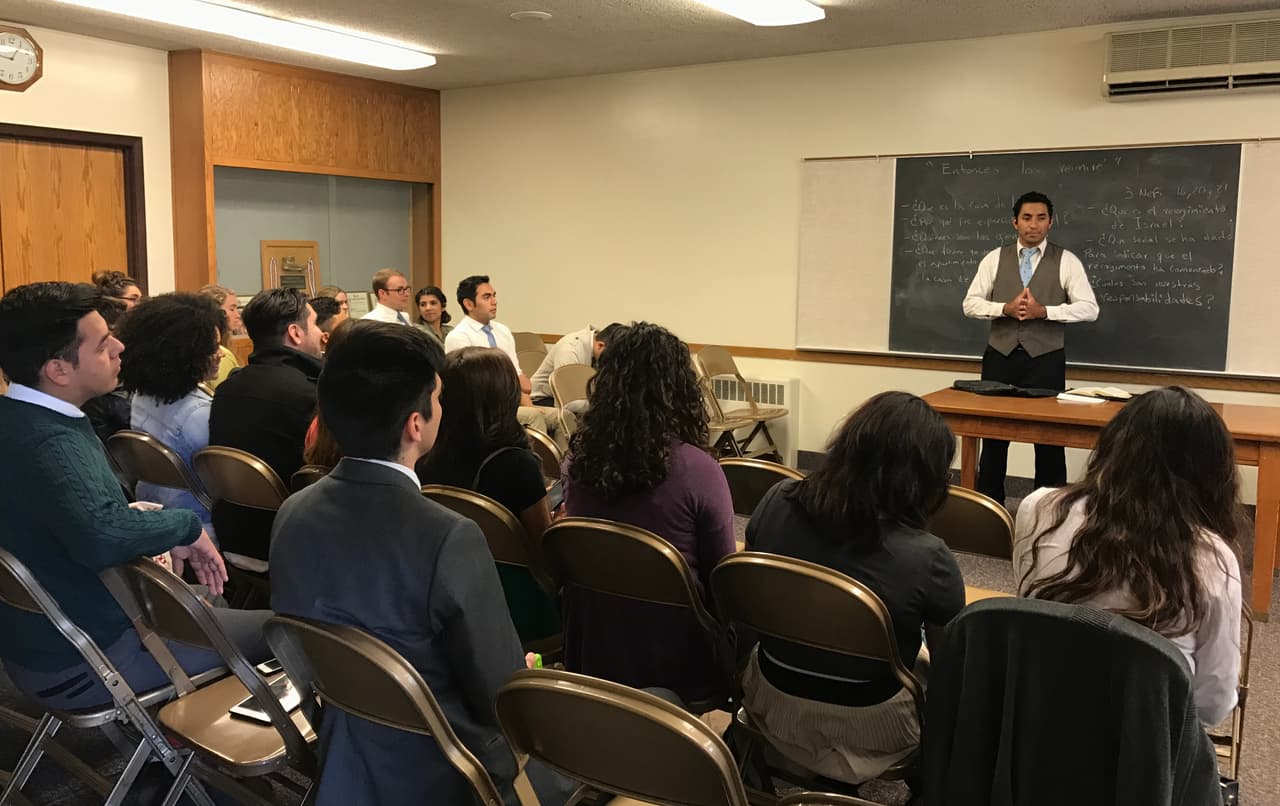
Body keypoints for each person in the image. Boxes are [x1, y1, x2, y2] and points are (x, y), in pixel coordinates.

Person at [270, 321, 574, 806]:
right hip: (451, 768)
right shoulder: (448, 536)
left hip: (346, 749)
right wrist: (523, 667)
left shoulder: (293, 512)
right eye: (437, 397)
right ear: (417, 423)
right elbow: (501, 697)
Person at [0, 282, 268, 711]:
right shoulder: (50, 442)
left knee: (209, 604)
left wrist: (141, 522)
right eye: (104, 343)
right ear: (58, 370)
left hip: (35, 646)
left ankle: (178, 754)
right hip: (90, 658)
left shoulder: (17, 417)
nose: (121, 347)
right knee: (288, 632)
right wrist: (184, 526)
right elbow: (101, 533)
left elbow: (76, 517)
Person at [742, 391, 965, 784]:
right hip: (870, 725)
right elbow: (953, 670)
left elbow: (752, 600)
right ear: (924, 479)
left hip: (771, 697)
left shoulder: (777, 499)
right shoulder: (930, 558)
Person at [1013, 386, 1243, 727]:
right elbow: (1213, 704)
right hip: (1144, 756)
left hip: (1036, 728)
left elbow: (1028, 607)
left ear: (1112, 446)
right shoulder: (1211, 557)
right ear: (1211, 472)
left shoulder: (1039, 508)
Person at [561, 322, 735, 703]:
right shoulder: (698, 470)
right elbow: (724, 579)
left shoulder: (578, 461)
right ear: (680, 389)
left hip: (594, 647)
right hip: (677, 660)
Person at [962, 191, 1099, 505]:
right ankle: (988, 509)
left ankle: (1048, 512)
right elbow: (970, 304)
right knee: (994, 438)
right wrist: (1004, 309)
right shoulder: (994, 258)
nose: (1033, 225)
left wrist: (1046, 312)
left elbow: (1090, 309)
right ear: (1015, 222)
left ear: (1051, 222)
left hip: (1045, 360)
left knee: (1049, 440)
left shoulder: (1066, 261)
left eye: (1040, 218)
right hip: (1000, 357)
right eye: (1026, 218)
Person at [417, 347, 560, 644]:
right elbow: (545, 549)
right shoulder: (517, 464)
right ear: (504, 397)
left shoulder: (425, 454)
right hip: (518, 605)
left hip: (448, 593)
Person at [209, 288, 324, 564]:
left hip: (233, 533)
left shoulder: (226, 389)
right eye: (316, 323)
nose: (321, 333)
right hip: (291, 542)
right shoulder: (313, 397)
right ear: (295, 333)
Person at [117, 293, 224, 533]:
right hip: (199, 525)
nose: (222, 353)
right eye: (214, 348)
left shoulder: (142, 397)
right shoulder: (199, 414)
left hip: (155, 511)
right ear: (187, 354)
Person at [445, 275, 563, 446]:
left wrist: (528, 404)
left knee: (562, 416)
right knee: (534, 417)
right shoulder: (459, 336)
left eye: (494, 295)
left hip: (511, 403)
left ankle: (565, 470)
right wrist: (514, 383)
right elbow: (472, 386)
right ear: (469, 304)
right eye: (487, 297)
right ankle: (538, 470)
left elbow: (521, 379)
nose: (494, 301)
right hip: (485, 410)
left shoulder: (503, 331)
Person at [529, 323, 624, 412]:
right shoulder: (569, 350)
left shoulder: (596, 349)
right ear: (600, 345)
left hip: (575, 400)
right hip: (541, 401)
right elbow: (567, 403)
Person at [198, 283, 244, 388]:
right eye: (232, 309)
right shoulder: (223, 356)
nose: (237, 315)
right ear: (216, 312)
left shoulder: (226, 346)